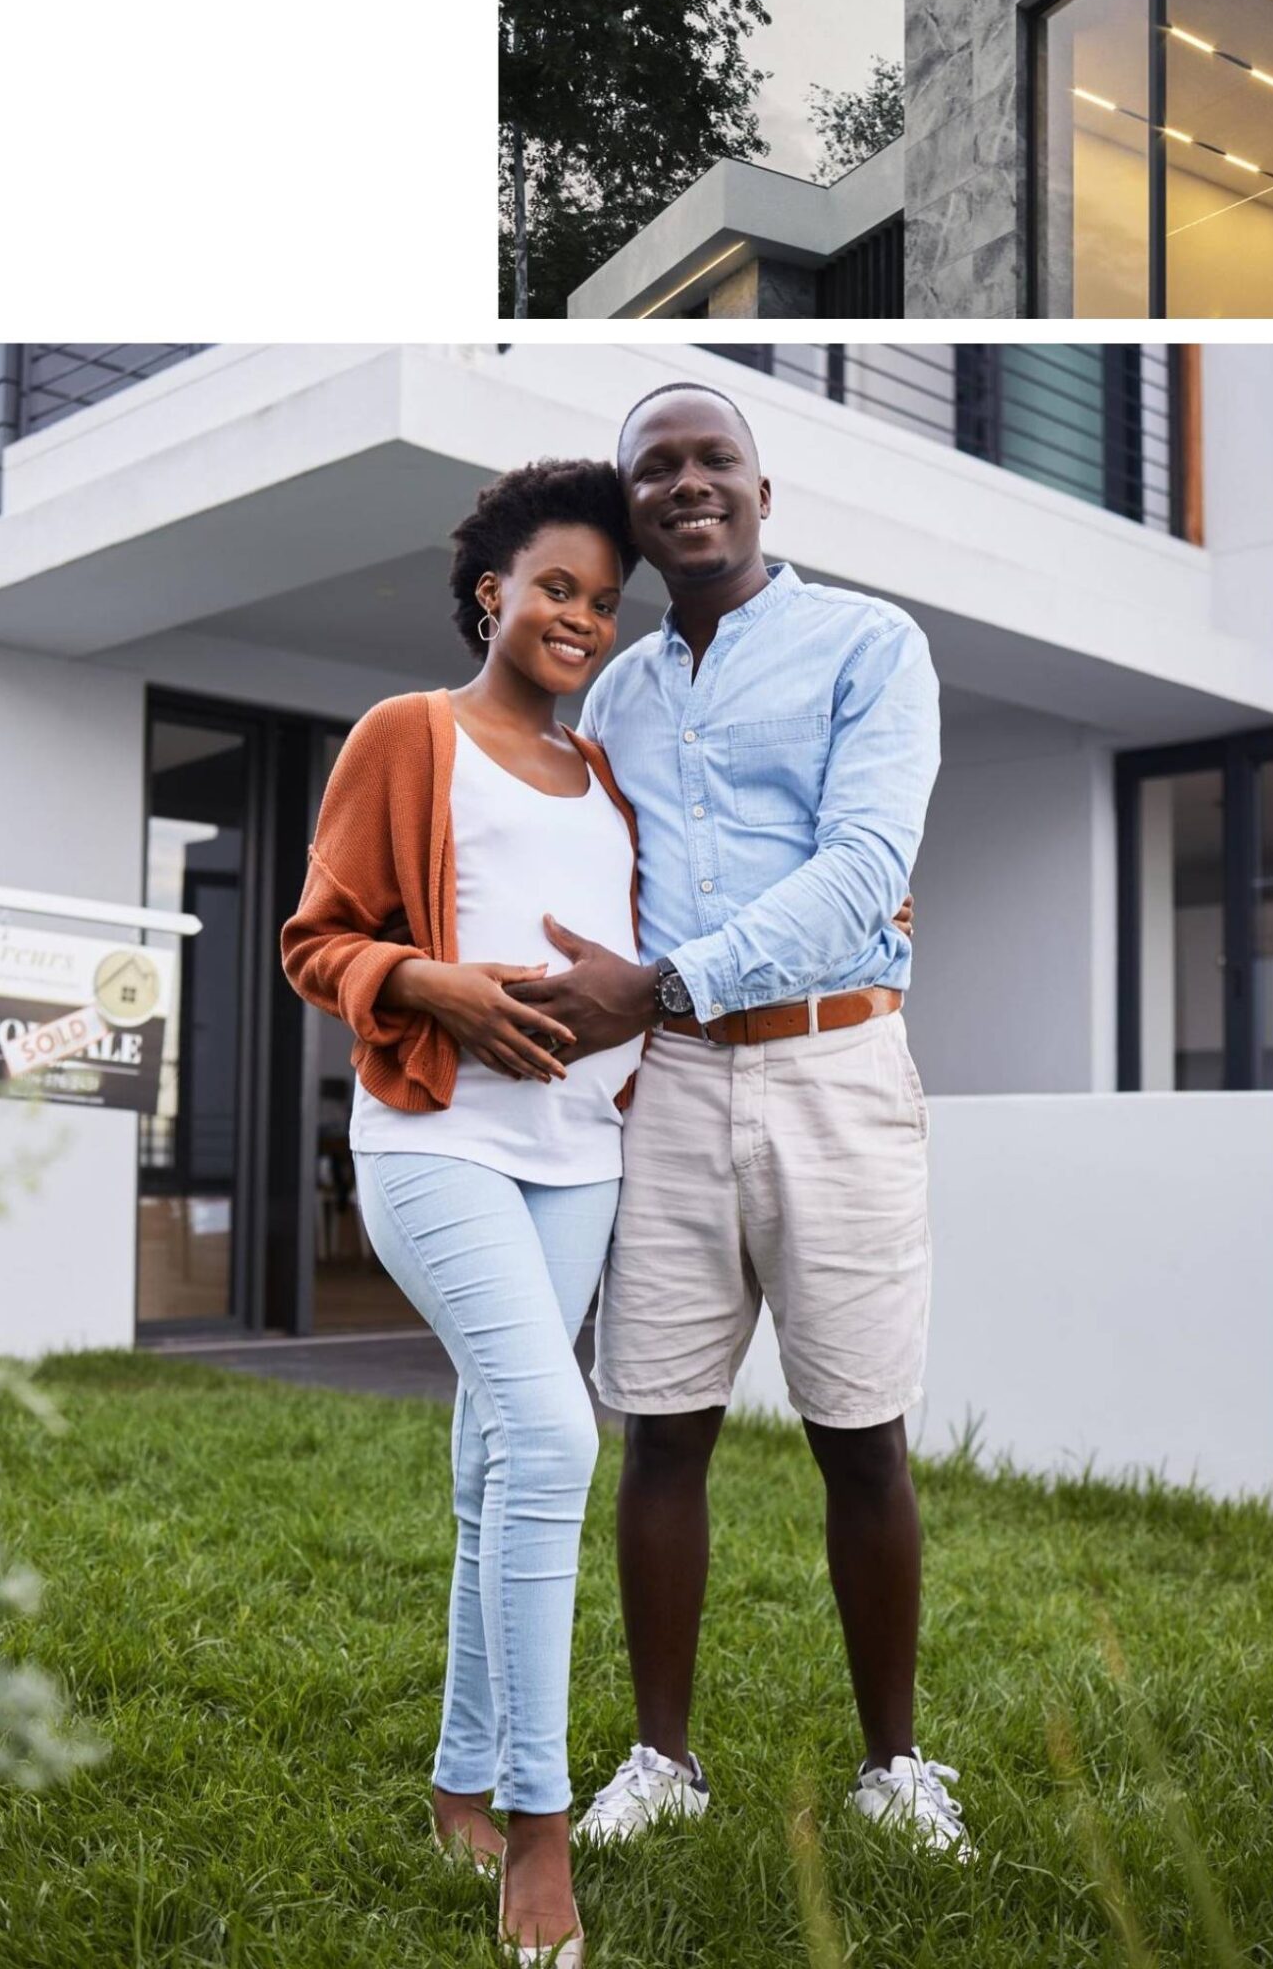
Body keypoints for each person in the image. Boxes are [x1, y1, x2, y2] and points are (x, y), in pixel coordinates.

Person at [501, 380, 969, 1857]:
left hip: (836, 1066)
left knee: (862, 1438)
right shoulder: (616, 693)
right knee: (659, 1429)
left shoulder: (872, 646)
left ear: (766, 494)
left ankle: (894, 1764)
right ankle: (662, 1758)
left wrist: (666, 980)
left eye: (715, 460)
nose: (687, 483)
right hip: (674, 1089)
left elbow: (864, 863)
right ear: (635, 512)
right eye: (658, 469)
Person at [281, 456, 640, 1967]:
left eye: (604, 603)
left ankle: (458, 1783)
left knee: (502, 1463)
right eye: (556, 587)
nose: (579, 619)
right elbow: (317, 941)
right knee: (558, 1435)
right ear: (490, 588)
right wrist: (424, 981)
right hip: (439, 1142)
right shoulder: (406, 736)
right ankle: (540, 1834)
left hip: (580, 1153)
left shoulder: (607, 772)